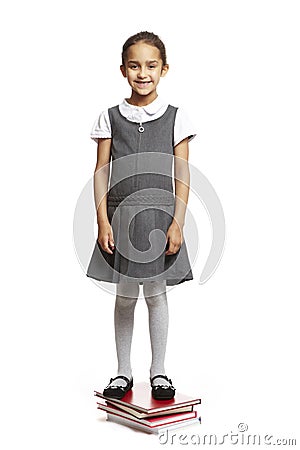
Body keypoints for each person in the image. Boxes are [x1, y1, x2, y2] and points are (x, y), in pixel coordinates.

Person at [86, 31, 197, 400]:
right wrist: (102, 219)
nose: (142, 72)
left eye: (151, 65)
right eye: (134, 65)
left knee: (156, 294)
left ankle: (159, 372)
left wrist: (177, 222)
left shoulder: (175, 119)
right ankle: (122, 372)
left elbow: (183, 174)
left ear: (164, 69)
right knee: (124, 296)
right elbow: (101, 171)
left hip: (159, 222)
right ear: (123, 69)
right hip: (121, 221)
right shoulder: (111, 117)